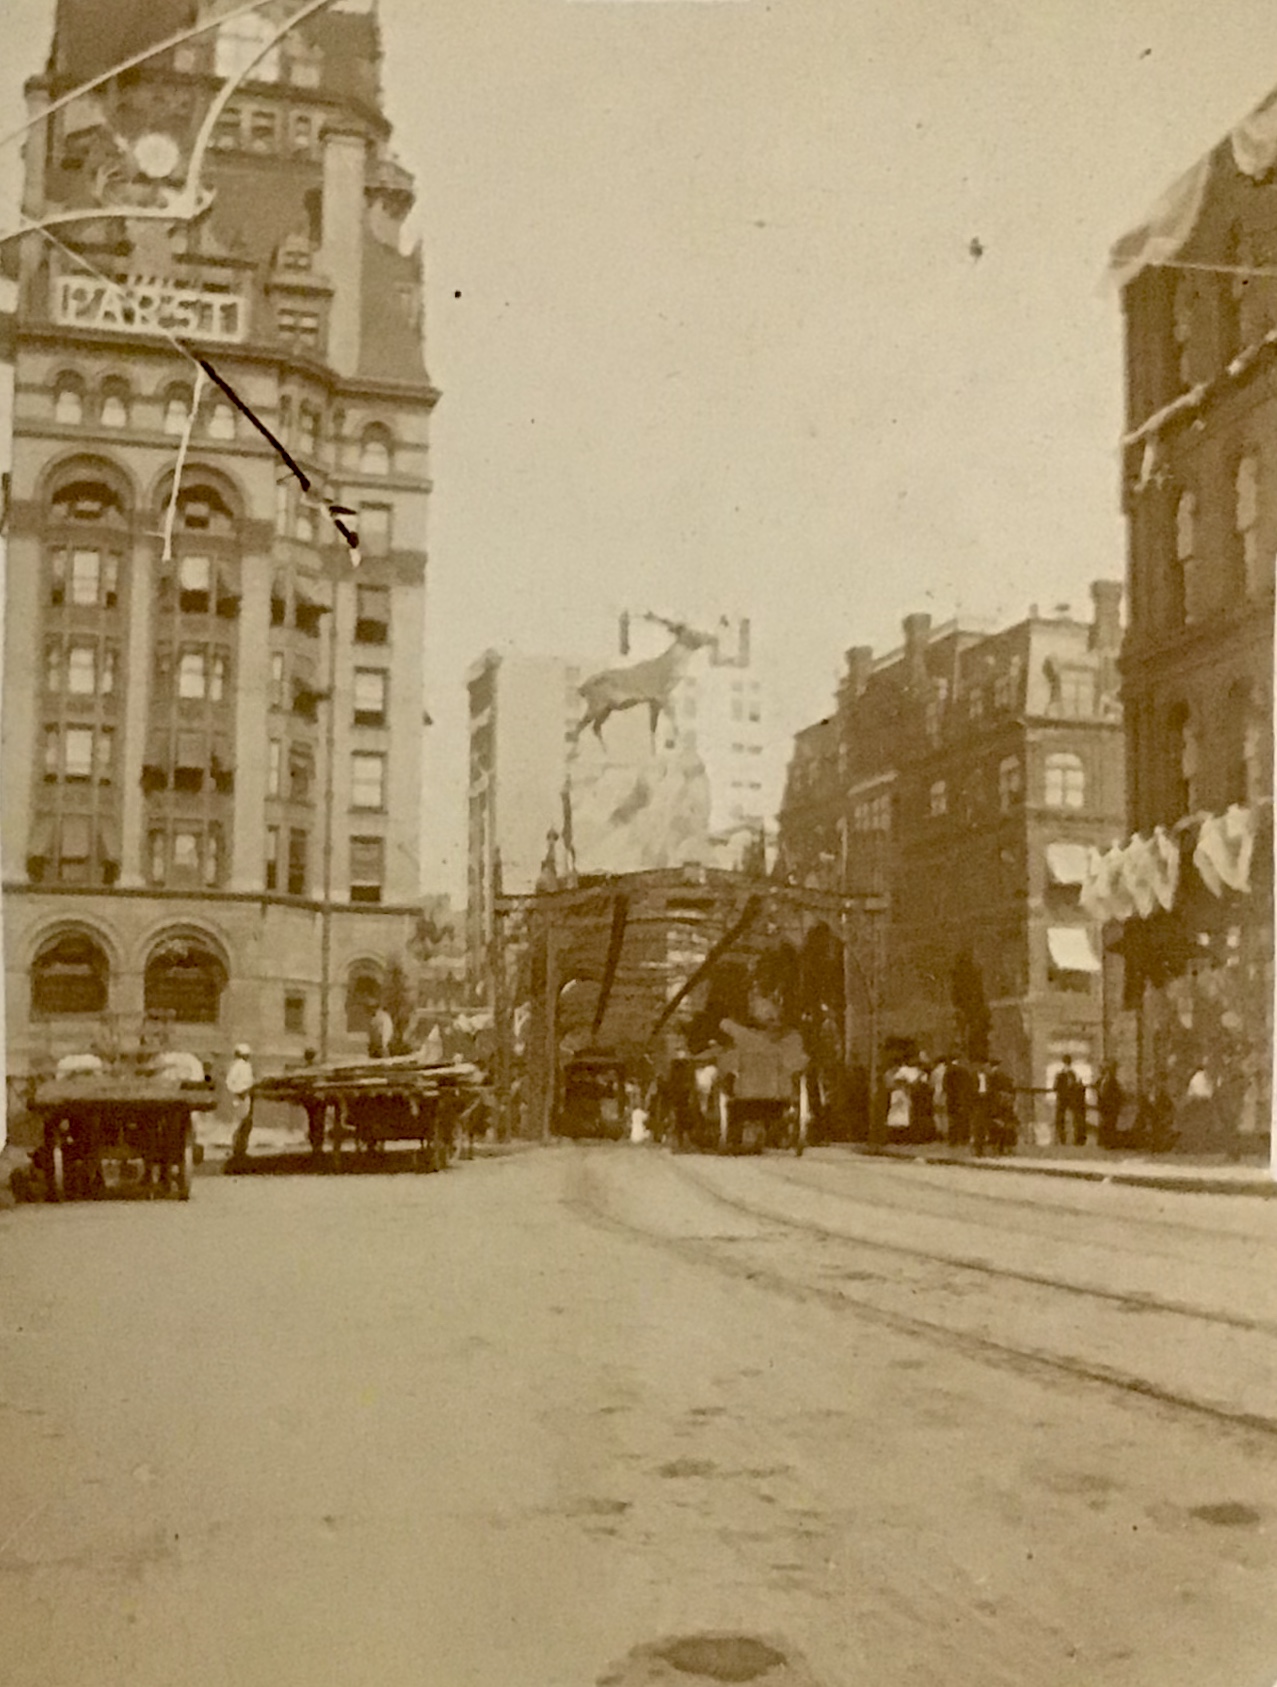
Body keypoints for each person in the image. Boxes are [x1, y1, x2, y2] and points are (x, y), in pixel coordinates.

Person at [226, 1043, 256, 1165]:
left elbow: (249, 1081)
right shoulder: (237, 1067)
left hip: (246, 1096)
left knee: (246, 1123)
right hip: (239, 1098)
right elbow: (230, 1083)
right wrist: (239, 1092)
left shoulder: (246, 1066)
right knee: (239, 1124)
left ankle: (242, 1149)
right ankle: (237, 1150)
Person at [1053, 1055, 1086, 1147]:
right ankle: (1066, 1138)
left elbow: (1055, 1087)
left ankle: (1062, 1138)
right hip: (1070, 1099)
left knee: (1061, 1119)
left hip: (1064, 1099)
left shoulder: (1062, 1074)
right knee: (1071, 1118)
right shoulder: (1071, 1074)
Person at [1096, 1062, 1124, 1150]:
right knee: (1107, 1124)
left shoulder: (1112, 1081)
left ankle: (1110, 1143)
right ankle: (1106, 1142)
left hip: (1110, 1107)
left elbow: (1117, 1095)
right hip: (1105, 1107)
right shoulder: (1104, 1081)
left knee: (1110, 1125)